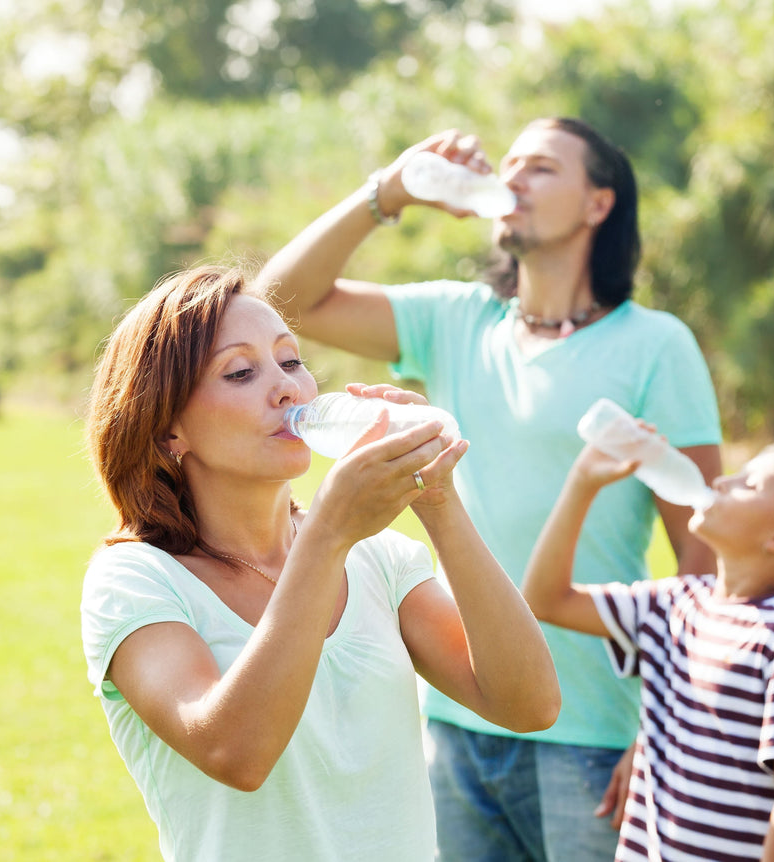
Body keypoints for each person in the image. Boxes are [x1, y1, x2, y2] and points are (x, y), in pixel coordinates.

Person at [253, 117, 724, 860]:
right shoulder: (454, 320)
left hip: (598, 734)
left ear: (598, 204)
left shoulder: (656, 345)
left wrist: (668, 736)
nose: (513, 181)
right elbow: (271, 305)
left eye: (539, 168)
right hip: (457, 712)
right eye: (508, 166)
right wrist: (387, 192)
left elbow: (709, 561)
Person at [79, 265, 560, 862]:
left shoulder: (377, 558)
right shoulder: (135, 581)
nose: (288, 390)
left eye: (291, 361)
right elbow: (238, 752)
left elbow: (528, 703)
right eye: (241, 372)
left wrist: (437, 501)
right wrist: (327, 535)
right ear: (167, 430)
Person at [522, 438, 774, 862]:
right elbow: (546, 599)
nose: (724, 482)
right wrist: (583, 483)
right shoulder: (674, 605)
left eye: (751, 485)